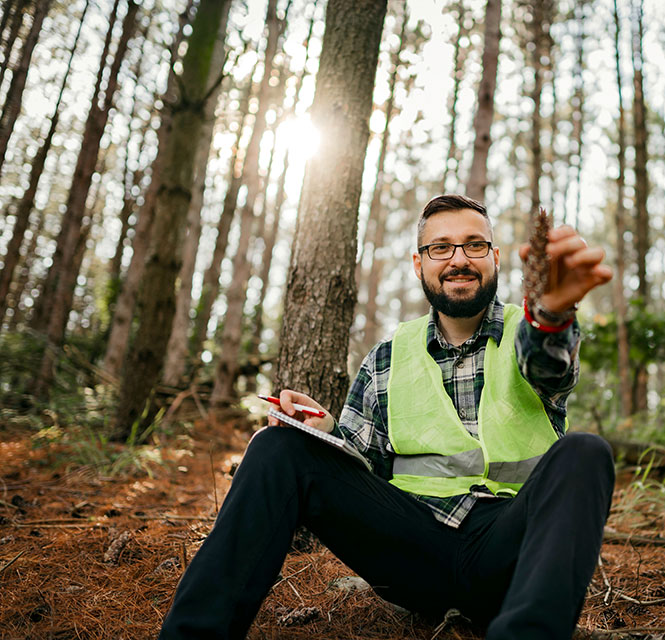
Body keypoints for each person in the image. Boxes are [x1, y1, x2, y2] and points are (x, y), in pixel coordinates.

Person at [158, 194, 615, 640]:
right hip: (412, 551)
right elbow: (362, 468)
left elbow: (550, 365)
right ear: (420, 264)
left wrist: (551, 315)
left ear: (495, 257)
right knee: (276, 447)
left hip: (510, 551)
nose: (459, 259)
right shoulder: (387, 358)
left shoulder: (527, 333)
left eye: (474, 245)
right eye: (440, 247)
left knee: (587, 452)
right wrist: (324, 434)